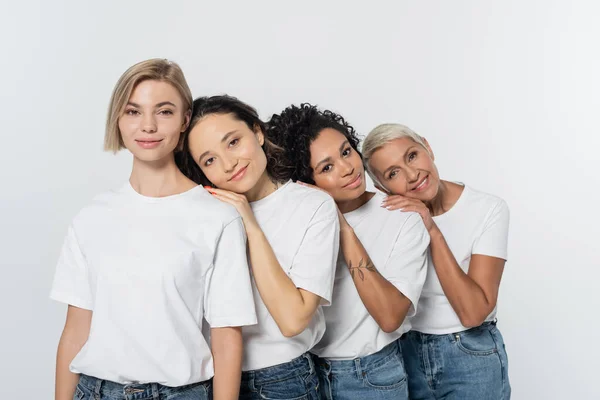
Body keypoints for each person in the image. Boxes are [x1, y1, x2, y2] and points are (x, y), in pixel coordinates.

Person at [51, 59, 256, 400]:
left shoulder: (217, 217)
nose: (147, 126)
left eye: (163, 111)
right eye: (133, 112)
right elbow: (75, 330)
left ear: (184, 121)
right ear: (117, 119)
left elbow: (226, 334)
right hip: (96, 391)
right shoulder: (91, 218)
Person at [177, 95, 339, 400]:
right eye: (209, 160)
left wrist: (250, 224)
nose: (229, 163)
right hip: (207, 379)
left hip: (282, 380)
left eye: (233, 142)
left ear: (258, 132)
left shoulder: (312, 206)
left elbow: (293, 320)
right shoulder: (202, 214)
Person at [265, 104, 429, 400]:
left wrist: (341, 226)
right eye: (326, 167)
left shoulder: (401, 216)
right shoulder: (296, 223)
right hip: (304, 375)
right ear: (305, 179)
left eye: (345, 151)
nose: (348, 168)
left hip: (372, 377)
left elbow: (391, 317)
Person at [362, 123, 511, 400]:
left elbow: (473, 312)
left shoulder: (488, 209)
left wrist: (431, 229)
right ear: (382, 187)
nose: (412, 174)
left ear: (428, 148)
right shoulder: (388, 218)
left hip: (470, 353)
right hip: (404, 353)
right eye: (393, 173)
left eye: (412, 156)